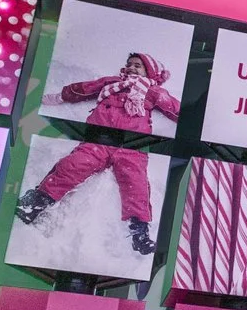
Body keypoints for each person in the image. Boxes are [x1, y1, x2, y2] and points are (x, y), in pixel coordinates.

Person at [15, 51, 179, 258]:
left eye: (138, 65)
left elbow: (174, 109)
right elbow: (84, 88)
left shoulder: (153, 91)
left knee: (135, 183)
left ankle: (140, 231)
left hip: (131, 146)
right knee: (72, 166)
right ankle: (36, 201)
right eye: (129, 64)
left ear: (150, 72)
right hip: (99, 140)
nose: (131, 67)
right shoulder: (111, 82)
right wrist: (59, 97)